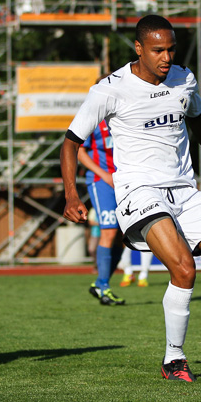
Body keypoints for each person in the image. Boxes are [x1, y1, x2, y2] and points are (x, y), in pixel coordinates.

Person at [61, 15, 201, 382]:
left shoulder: (184, 78)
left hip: (185, 190)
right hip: (139, 192)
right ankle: (173, 359)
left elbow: (198, 117)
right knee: (184, 267)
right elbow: (71, 141)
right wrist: (71, 194)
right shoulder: (110, 89)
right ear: (139, 49)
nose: (166, 57)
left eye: (171, 49)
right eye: (158, 50)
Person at [77, 119, 126, 305]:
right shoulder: (93, 119)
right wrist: (105, 175)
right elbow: (80, 152)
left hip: (125, 181)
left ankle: (100, 284)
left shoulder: (125, 114)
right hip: (101, 181)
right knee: (109, 230)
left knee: (124, 237)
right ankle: (104, 287)